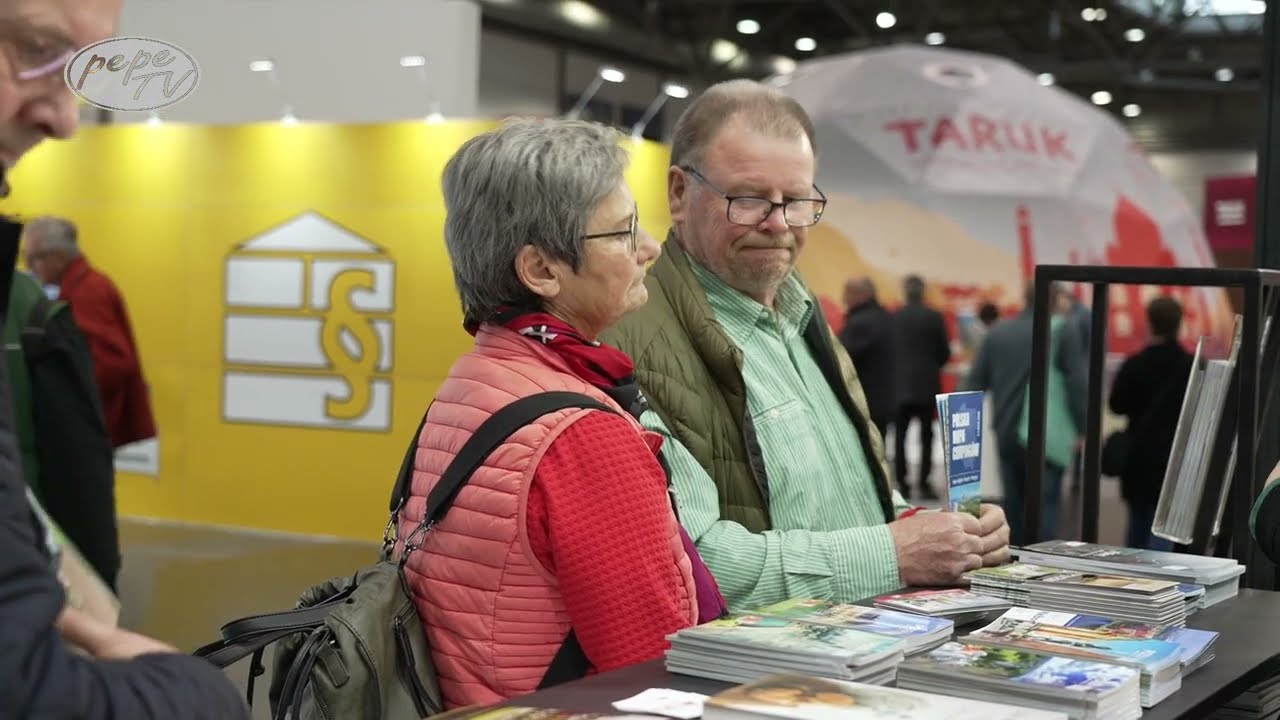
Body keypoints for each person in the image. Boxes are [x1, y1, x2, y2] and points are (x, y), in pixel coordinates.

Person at [601, 80, 1010, 612]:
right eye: (748, 200)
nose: (777, 225)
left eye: (796, 201)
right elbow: (690, 564)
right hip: (757, 680)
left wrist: (939, 532)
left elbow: (856, 506)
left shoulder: (802, 317)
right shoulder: (633, 346)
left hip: (860, 652)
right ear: (680, 193)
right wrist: (893, 553)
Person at [400, 118, 718, 710]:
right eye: (624, 234)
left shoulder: (475, 379)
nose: (650, 247)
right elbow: (649, 670)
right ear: (542, 270)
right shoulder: (583, 435)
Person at [0, 1, 249, 718]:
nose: (66, 120)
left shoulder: (72, 294)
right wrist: (195, 695)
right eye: (34, 47)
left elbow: (99, 374)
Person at [964, 283, 1086, 545]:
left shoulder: (998, 333)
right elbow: (1076, 382)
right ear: (1055, 300)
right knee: (1046, 504)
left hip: (1006, 430)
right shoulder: (1062, 330)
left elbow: (973, 383)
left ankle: (1016, 565)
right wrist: (1083, 426)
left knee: (1014, 506)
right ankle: (1042, 569)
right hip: (1046, 432)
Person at [22, 215, 155, 449]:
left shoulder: (87, 293)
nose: (29, 267)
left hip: (87, 427)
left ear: (60, 258)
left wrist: (61, 397)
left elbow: (113, 364)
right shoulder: (86, 284)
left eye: (35, 258)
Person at [1108, 297, 1193, 550]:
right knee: (1166, 527)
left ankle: (1133, 578)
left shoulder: (1135, 364)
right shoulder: (1190, 366)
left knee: (1137, 523)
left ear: (1150, 323)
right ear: (1178, 324)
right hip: (1175, 457)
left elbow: (1116, 404)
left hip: (1139, 455)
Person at [893, 274, 951, 499]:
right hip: (927, 384)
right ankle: (924, 482)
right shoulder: (935, 317)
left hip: (900, 385)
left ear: (906, 292)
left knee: (900, 436)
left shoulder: (895, 318)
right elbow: (944, 354)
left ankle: (903, 483)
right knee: (927, 437)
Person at [838, 276, 895, 440]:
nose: (844, 298)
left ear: (863, 295)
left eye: (848, 293)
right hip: (884, 398)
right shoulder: (886, 318)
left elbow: (839, 358)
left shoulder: (860, 324)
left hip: (864, 400)